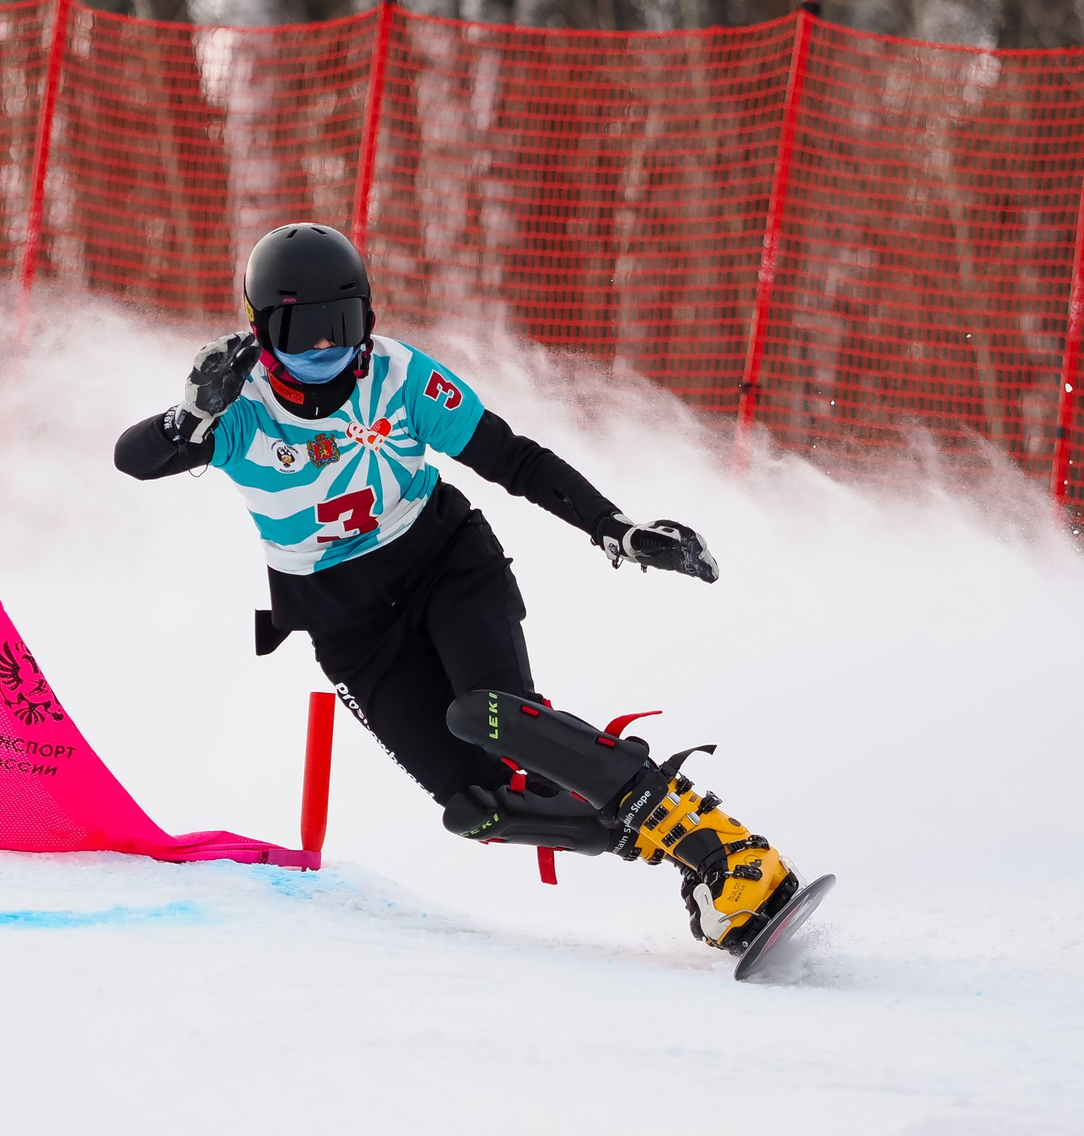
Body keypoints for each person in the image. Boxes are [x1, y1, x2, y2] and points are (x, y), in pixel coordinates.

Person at [114, 222, 803, 955]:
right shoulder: (239, 405)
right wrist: (189, 414)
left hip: (444, 565)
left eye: (340, 326)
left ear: (368, 319)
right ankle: (675, 853)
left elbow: (512, 456)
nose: (323, 349)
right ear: (258, 329)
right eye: (299, 330)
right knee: (476, 805)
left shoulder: (397, 375)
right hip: (350, 627)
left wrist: (614, 527)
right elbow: (135, 458)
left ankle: (722, 849)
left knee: (494, 715)